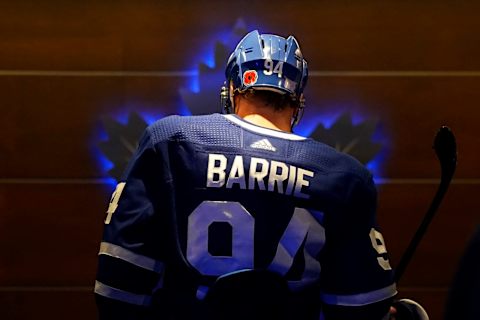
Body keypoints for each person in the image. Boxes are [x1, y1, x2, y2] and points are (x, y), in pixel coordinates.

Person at [94, 29, 401, 319]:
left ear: (232, 88)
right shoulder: (345, 175)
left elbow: (120, 278)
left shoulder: (171, 141)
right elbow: (360, 305)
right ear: (297, 100)